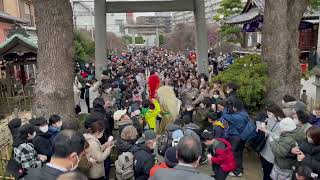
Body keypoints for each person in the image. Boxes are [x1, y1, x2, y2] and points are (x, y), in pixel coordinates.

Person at [259, 102, 286, 180]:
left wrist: (266, 130)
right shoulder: (270, 118)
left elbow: (278, 136)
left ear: (275, 112)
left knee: (268, 172)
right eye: (267, 113)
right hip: (265, 149)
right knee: (265, 169)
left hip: (271, 152)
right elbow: (267, 121)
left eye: (270, 113)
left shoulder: (282, 122)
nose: (268, 114)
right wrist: (263, 125)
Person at [222, 99, 247, 177]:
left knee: (235, 154)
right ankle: (239, 169)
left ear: (235, 107)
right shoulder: (243, 112)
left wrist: (226, 107)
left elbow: (225, 115)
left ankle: (237, 172)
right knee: (238, 154)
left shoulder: (238, 116)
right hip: (241, 136)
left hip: (236, 137)